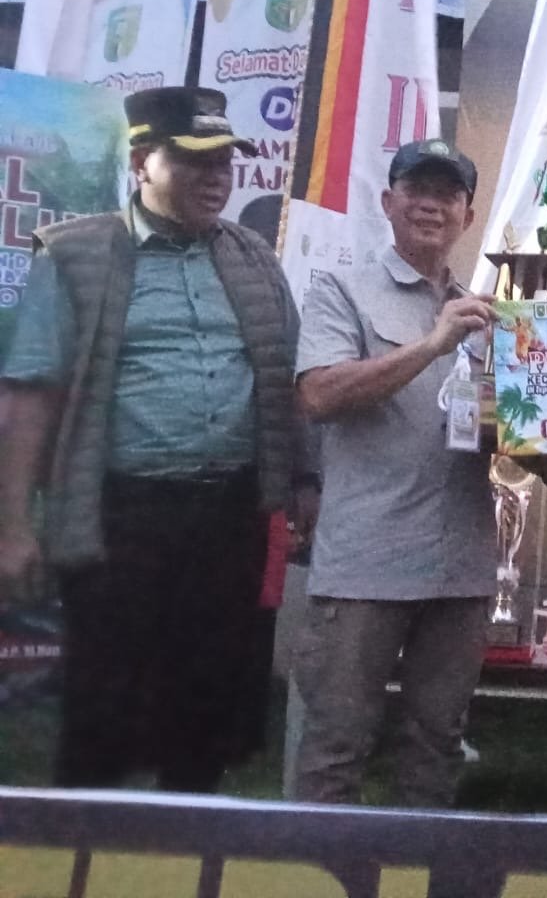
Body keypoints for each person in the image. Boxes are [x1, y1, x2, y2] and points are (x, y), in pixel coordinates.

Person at [0, 86, 316, 793]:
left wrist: (304, 479)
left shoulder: (255, 258)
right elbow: (29, 393)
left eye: (225, 163)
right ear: (141, 161)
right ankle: (87, 846)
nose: (216, 178)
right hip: (122, 515)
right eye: (195, 161)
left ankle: (188, 844)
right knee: (104, 710)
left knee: (206, 712)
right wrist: (13, 527)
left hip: (230, 515)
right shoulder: (74, 254)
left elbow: (283, 375)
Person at [291, 139, 497, 807]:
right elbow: (319, 394)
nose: (431, 205)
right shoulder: (340, 290)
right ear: (388, 202)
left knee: (436, 748)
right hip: (366, 565)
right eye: (417, 190)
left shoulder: (488, 316)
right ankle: (312, 864)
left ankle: (418, 863)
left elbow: (510, 430)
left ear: (468, 215)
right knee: (336, 746)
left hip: (460, 568)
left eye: (448, 194)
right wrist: (433, 344)